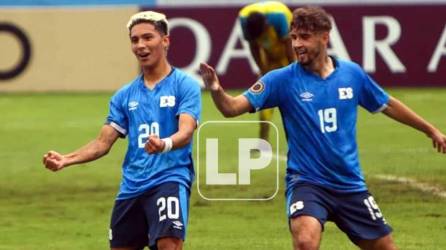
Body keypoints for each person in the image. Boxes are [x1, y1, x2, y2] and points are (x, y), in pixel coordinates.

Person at [200, 6, 446, 250]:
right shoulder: (280, 80)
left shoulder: (352, 74)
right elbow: (231, 108)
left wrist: (430, 130)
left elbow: (387, 104)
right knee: (306, 241)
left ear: (324, 37)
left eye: (304, 37)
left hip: (349, 185)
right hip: (307, 183)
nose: (297, 44)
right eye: (294, 37)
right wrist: (216, 90)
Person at [43, 11, 201, 250]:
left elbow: (186, 131)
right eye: (135, 40)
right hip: (132, 186)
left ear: (165, 41)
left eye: (148, 37)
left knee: (169, 244)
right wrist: (66, 159)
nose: (141, 45)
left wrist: (164, 144)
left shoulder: (185, 85)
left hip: (170, 178)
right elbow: (102, 143)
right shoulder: (124, 96)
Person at [238, 1, 295, 142]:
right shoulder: (244, 18)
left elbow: (289, 45)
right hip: (269, 57)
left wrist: (294, 70)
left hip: (285, 49)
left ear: (266, 25)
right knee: (264, 94)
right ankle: (263, 139)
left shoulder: (279, 17)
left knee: (294, 96)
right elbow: (254, 46)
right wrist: (263, 70)